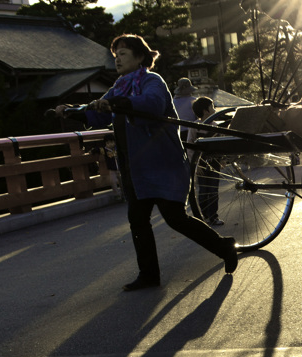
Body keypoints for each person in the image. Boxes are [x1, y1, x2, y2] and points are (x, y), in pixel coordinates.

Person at [56, 34, 237, 291]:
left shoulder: (152, 82)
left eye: (123, 54)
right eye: (115, 55)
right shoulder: (119, 86)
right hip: (134, 167)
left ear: (140, 57)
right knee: (138, 220)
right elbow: (97, 114)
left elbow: (151, 104)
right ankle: (149, 274)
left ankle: (223, 246)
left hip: (162, 164)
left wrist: (117, 103)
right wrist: (73, 110)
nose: (117, 59)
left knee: (175, 218)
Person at [189, 95, 223, 227]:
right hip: (200, 163)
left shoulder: (215, 126)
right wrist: (195, 165)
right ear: (205, 111)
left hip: (214, 162)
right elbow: (190, 147)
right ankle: (204, 216)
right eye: (211, 107)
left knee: (213, 190)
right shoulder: (195, 127)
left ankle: (213, 216)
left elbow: (220, 145)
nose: (213, 109)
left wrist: (222, 159)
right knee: (203, 191)